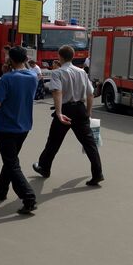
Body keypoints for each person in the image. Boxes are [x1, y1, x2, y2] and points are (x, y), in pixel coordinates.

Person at [33, 45, 103, 186]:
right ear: (73, 56)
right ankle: (98, 173)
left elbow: (57, 92)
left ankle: (44, 168)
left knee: (53, 141)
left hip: (65, 109)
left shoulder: (58, 73)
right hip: (80, 109)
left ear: (60, 57)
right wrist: (88, 112)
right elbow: (90, 94)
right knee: (89, 143)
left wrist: (59, 112)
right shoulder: (82, 72)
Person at [0, 46, 38, 215]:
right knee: (10, 160)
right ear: (25, 59)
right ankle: (1, 190)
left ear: (10, 60)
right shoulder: (33, 76)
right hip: (24, 125)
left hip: (7, 126)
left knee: (12, 164)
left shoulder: (7, 79)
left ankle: (28, 197)